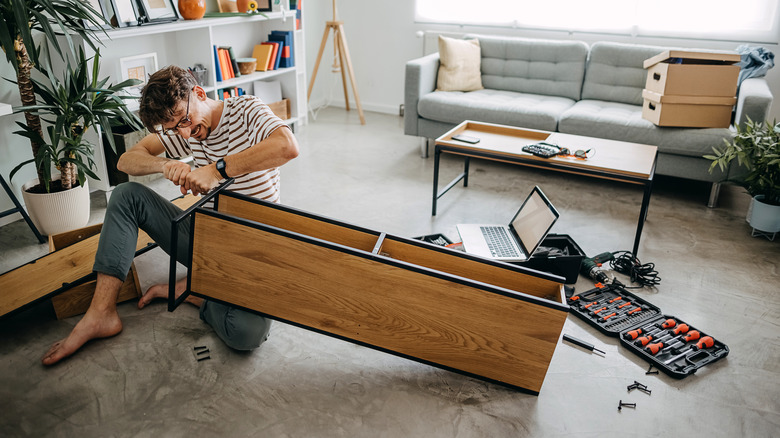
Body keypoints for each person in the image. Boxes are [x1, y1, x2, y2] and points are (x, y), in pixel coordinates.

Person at [42, 65, 299, 365]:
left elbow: (288, 146)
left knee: (245, 333)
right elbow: (127, 160)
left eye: (186, 121)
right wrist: (163, 166)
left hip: (256, 250)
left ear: (199, 94)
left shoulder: (246, 109)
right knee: (126, 196)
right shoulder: (183, 130)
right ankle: (101, 313)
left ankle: (196, 292)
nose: (186, 132)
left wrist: (217, 170)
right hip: (207, 241)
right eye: (176, 128)